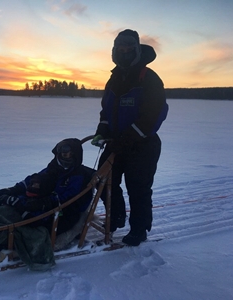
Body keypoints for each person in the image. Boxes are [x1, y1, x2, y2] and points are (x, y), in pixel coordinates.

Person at [91, 29, 168, 246]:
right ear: (114, 51)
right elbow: (106, 110)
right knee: (103, 181)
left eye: (128, 49)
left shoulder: (149, 78)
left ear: (136, 50)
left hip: (143, 144)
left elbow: (155, 114)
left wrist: (129, 137)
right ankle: (115, 219)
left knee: (138, 188)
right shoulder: (114, 77)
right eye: (120, 49)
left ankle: (139, 230)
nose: (124, 53)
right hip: (116, 143)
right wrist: (102, 130)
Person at [0, 138, 95, 235]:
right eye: (62, 153)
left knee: (22, 220)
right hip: (45, 205)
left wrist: (43, 203)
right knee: (4, 209)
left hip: (62, 214)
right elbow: (37, 179)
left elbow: (72, 199)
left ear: (75, 155)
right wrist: (15, 189)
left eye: (68, 154)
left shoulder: (79, 176)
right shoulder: (54, 167)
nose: (64, 156)